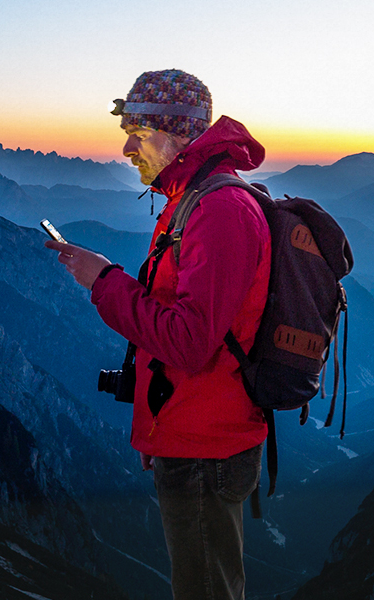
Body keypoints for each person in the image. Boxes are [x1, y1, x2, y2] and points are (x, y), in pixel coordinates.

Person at [45, 69, 270, 600]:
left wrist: (103, 281)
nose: (126, 149)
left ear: (181, 134)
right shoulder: (190, 200)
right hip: (190, 435)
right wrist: (156, 427)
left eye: (139, 134)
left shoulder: (218, 210)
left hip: (205, 447)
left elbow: (190, 342)